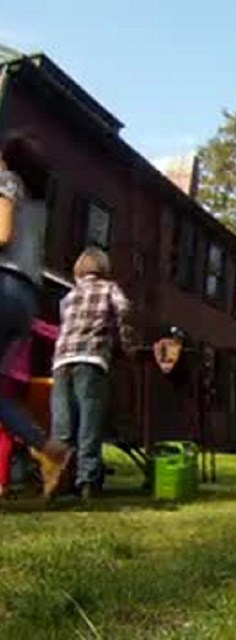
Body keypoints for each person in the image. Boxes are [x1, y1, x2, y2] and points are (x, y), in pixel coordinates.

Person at [0, 134, 73, 497]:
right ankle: (47, 448)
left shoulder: (6, 181)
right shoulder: (39, 204)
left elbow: (1, 232)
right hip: (25, 296)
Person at [51, 248, 133, 500]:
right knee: (89, 424)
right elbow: (124, 311)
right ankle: (87, 482)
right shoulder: (109, 288)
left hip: (62, 361)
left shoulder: (69, 295)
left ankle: (55, 481)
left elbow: (65, 323)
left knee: (63, 426)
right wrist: (125, 344)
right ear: (103, 269)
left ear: (79, 271)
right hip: (91, 360)